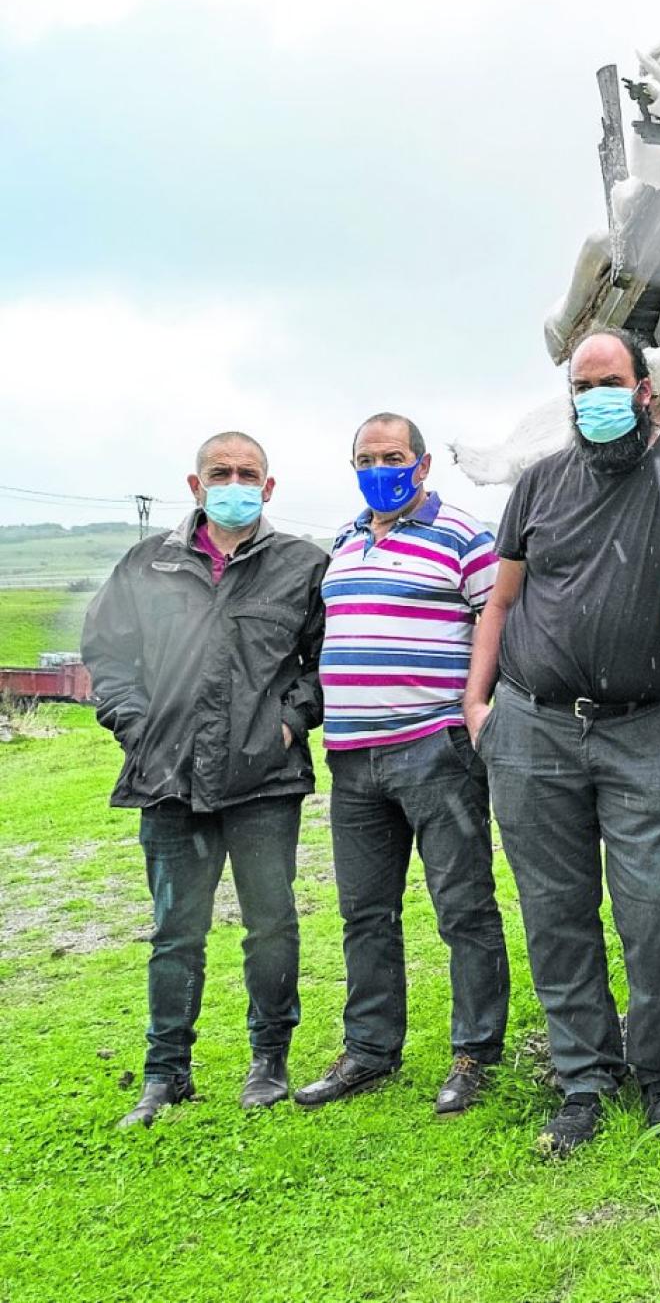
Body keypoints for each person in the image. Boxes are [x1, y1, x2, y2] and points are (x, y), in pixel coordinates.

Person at [462, 328, 660, 1157]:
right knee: (556, 911)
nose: (594, 398)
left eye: (610, 382)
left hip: (643, 728)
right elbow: (500, 602)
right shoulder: (537, 483)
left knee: (654, 910)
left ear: (643, 388)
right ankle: (583, 1079)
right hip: (533, 726)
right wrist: (477, 704)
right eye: (581, 386)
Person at [82, 431, 327, 1128]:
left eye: (248, 473)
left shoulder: (302, 565)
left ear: (269, 487)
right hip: (168, 779)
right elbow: (107, 653)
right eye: (220, 472)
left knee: (272, 924)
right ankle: (165, 1074)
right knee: (175, 932)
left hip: (264, 780)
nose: (234, 482)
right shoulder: (147, 565)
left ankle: (268, 1061)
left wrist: (289, 721)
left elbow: (324, 659)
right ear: (195, 486)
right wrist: (137, 728)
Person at [295, 413, 510, 1116]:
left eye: (392, 456)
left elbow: (501, 620)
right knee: (364, 913)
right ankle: (370, 1051)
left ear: (421, 466)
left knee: (463, 907)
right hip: (353, 757)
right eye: (365, 456)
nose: (378, 466)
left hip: (434, 747)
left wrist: (476, 706)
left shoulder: (464, 536)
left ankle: (476, 1053)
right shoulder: (346, 540)